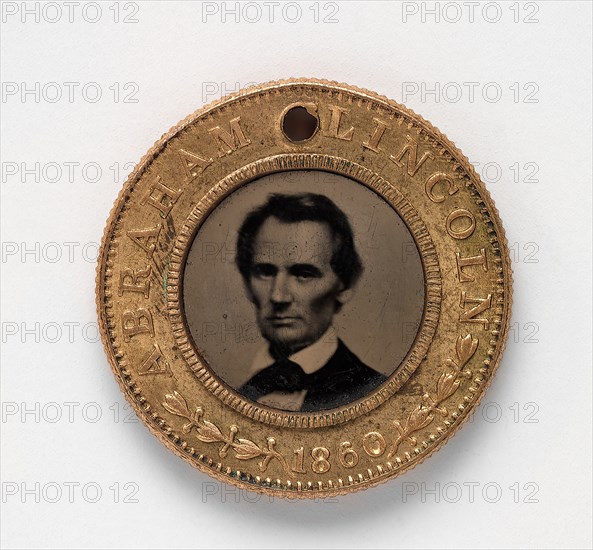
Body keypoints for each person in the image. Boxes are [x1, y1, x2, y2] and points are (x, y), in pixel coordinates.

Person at [235, 192, 387, 412]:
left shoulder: (376, 392)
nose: (279, 296)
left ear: (345, 286)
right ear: (247, 284)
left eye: (304, 274)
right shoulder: (232, 390)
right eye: (265, 272)